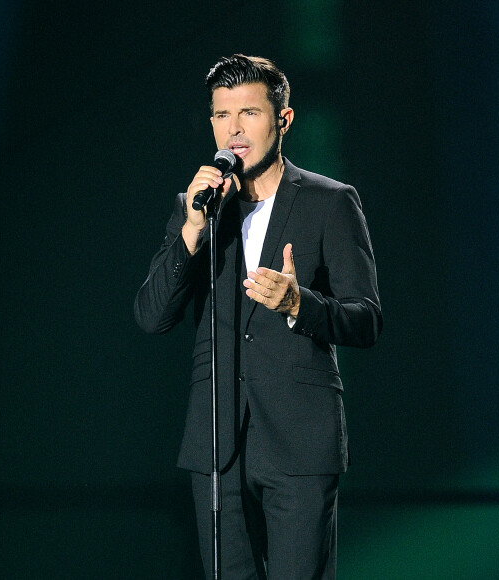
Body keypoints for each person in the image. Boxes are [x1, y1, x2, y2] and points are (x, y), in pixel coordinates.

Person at [134, 54, 382, 579]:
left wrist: (300, 304)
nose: (234, 130)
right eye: (222, 116)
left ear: (283, 120)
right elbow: (152, 316)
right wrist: (193, 231)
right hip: (217, 444)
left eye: (248, 113)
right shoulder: (195, 208)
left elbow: (366, 319)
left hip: (299, 439)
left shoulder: (330, 202)